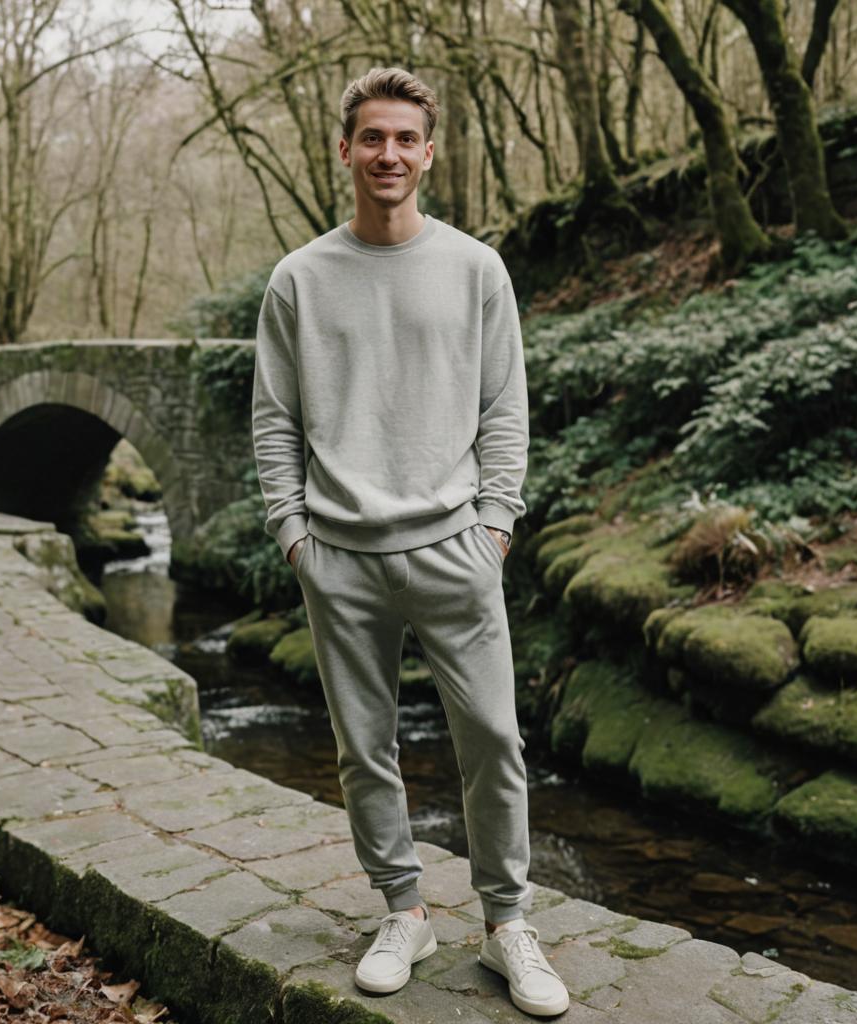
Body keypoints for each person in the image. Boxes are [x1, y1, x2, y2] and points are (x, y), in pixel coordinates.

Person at [250, 65, 570, 1017]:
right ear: (345, 149)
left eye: (406, 139)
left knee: (494, 741)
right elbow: (274, 421)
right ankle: (404, 910)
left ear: (429, 153)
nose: (388, 154)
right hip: (337, 557)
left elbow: (504, 407)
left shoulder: (477, 269)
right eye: (372, 138)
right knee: (364, 749)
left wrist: (497, 523)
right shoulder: (298, 280)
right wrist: (294, 534)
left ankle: (509, 925)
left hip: (456, 549)